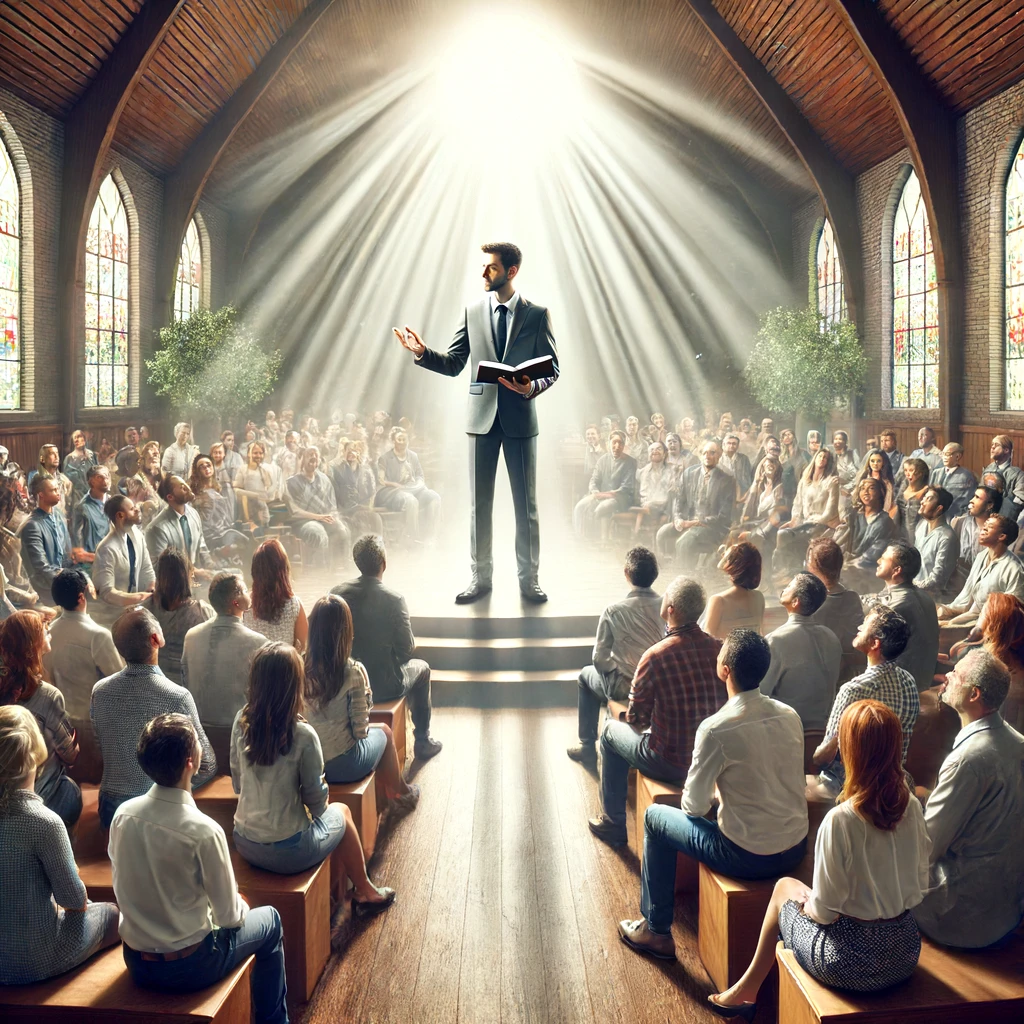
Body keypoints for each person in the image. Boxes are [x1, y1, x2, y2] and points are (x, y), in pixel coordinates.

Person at [710, 700, 929, 1016]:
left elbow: (824, 913)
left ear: (851, 751)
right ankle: (747, 991)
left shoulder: (841, 820)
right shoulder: (910, 807)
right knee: (794, 890)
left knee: (784, 890)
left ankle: (748, 992)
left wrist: (806, 902)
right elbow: (920, 886)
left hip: (849, 963)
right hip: (904, 951)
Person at [618, 630, 808, 960]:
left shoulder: (716, 728)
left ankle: (656, 930)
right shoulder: (789, 714)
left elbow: (693, 806)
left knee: (654, 817)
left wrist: (718, 790)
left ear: (724, 669)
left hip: (747, 856)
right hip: (796, 848)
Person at [396, 242, 559, 603]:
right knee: (479, 506)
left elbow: (553, 368)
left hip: (519, 420)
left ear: (511, 271)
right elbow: (455, 363)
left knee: (526, 507)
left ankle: (528, 581)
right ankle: (479, 579)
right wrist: (422, 352)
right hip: (480, 421)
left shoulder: (537, 314)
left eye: (491, 268)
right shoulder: (471, 311)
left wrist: (532, 385)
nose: (484, 273)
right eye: (484, 267)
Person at [108, 714, 289, 1023]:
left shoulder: (123, 815)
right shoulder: (204, 830)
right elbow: (228, 917)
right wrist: (240, 906)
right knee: (270, 920)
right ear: (191, 761)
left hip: (137, 962)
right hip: (191, 967)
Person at [230, 644, 393, 910]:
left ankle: (350, 888)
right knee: (342, 812)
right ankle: (365, 890)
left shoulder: (241, 721)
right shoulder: (303, 735)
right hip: (289, 852)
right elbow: (318, 804)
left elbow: (238, 783)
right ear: (295, 684)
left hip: (244, 841)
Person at [587, 576, 724, 846]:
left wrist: (626, 716)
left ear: (670, 609)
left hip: (670, 761)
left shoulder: (655, 656)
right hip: (710, 759)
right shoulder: (719, 649)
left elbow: (638, 722)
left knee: (610, 733)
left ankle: (614, 823)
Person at [0, 704, 119, 985]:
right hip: (33, 960)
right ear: (35, 756)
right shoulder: (43, 822)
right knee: (112, 914)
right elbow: (74, 901)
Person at [913, 651, 1024, 948]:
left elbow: (926, 848)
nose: (946, 676)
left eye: (956, 675)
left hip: (961, 915)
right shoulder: (1017, 741)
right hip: (1005, 909)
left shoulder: (968, 760)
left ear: (974, 694)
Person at [91, 607, 216, 827]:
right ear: (155, 638)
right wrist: (178, 785)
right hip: (157, 810)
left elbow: (103, 748)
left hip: (111, 809)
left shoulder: (100, 691)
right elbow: (206, 764)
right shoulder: (176, 696)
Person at [331, 534, 441, 760]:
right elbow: (406, 649)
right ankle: (422, 739)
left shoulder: (337, 593)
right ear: (384, 563)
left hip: (342, 681)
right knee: (422, 668)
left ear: (357, 562)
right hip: (383, 684)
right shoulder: (394, 599)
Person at [303, 595, 419, 806]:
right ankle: (401, 793)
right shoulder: (352, 671)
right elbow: (360, 731)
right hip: (343, 766)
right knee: (384, 731)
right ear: (346, 630)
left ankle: (390, 796)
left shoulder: (298, 666)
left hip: (306, 766)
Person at [567, 546, 664, 765]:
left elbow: (599, 659)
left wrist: (619, 672)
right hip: (659, 684)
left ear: (627, 574)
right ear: (655, 574)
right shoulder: (666, 607)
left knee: (585, 676)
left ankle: (587, 747)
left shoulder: (614, 610)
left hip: (625, 686)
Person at [813, 605, 920, 796]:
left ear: (875, 644)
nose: (859, 628)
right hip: (893, 782)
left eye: (865, 625)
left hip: (850, 784)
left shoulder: (854, 690)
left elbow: (825, 757)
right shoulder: (908, 681)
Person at [0, 610, 82, 828]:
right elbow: (70, 753)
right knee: (70, 789)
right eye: (45, 632)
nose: (50, 635)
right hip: (36, 795)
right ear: (33, 646)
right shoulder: (47, 695)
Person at [43, 568, 123, 783]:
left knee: (71, 782)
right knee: (97, 784)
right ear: (81, 596)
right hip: (92, 727)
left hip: (59, 725)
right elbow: (119, 678)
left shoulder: (48, 632)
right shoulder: (98, 636)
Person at [181, 571, 266, 767]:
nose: (250, 593)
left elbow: (186, 681)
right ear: (236, 602)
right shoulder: (258, 642)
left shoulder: (191, 636)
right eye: (245, 590)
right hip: (239, 734)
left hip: (199, 732)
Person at [760, 572, 841, 732]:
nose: (784, 588)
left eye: (789, 586)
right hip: (824, 729)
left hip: (788, 730)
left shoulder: (776, 640)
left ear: (795, 602)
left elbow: (762, 693)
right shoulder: (831, 637)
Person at [656, 441, 734, 568]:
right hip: (687, 522)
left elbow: (723, 516)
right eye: (704, 453)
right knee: (662, 533)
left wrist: (692, 523)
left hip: (712, 527)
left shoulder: (726, 480)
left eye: (712, 453)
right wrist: (677, 518)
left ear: (719, 456)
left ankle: (685, 575)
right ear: (700, 455)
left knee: (684, 542)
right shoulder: (689, 474)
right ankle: (668, 568)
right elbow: (679, 500)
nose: (707, 456)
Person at [143, 549, 214, 684]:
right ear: (186, 577)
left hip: (152, 684)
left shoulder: (144, 611)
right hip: (187, 687)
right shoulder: (202, 613)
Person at [938, 514, 1024, 625]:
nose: (984, 528)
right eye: (985, 524)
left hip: (992, 623)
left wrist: (954, 622)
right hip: (971, 614)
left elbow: (1015, 610)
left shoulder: (1014, 569)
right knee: (935, 614)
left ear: (1001, 536)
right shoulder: (981, 556)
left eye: (990, 526)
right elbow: (967, 595)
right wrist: (948, 611)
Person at [876, 543, 940, 692]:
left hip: (901, 684)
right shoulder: (924, 596)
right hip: (922, 676)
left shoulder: (896, 604)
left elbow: (876, 646)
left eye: (884, 558)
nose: (878, 561)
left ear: (896, 570)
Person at [774, 449, 840, 575]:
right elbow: (798, 503)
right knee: (782, 533)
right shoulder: (805, 481)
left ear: (828, 462)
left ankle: (787, 570)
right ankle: (785, 569)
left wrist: (817, 521)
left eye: (825, 457)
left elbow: (831, 510)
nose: (822, 459)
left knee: (786, 536)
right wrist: (794, 520)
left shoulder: (831, 482)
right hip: (806, 523)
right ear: (815, 458)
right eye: (820, 456)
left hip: (822, 524)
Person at [92, 494, 155, 622]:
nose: (137, 509)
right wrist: (141, 596)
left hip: (136, 611)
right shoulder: (106, 548)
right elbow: (107, 592)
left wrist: (151, 588)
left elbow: (147, 568)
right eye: (132, 509)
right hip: (112, 617)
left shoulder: (137, 534)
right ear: (120, 515)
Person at [285, 446, 352, 565]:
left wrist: (334, 518)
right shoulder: (292, 482)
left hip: (323, 519)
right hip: (302, 523)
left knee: (342, 530)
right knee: (318, 534)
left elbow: (332, 507)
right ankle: (320, 571)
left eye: (316, 455)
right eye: (310, 454)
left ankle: (341, 568)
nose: (314, 457)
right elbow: (294, 512)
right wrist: (318, 517)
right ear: (302, 459)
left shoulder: (324, 480)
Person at [243, 538, 308, 650]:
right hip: (285, 666)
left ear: (254, 571)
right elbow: (303, 648)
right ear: (283, 570)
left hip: (253, 666)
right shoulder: (294, 605)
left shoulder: (244, 605)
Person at [146, 475, 214, 580]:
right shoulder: (157, 528)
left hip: (196, 579)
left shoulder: (193, 513)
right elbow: (160, 567)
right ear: (170, 497)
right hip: (173, 584)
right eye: (182, 487)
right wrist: (193, 571)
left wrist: (210, 564)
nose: (188, 487)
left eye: (185, 484)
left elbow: (201, 543)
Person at [573, 430, 637, 541]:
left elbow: (625, 487)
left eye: (620, 443)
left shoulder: (630, 462)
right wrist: (595, 492)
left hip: (620, 498)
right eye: (614, 442)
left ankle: (603, 541)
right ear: (609, 443)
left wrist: (604, 495)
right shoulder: (602, 460)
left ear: (624, 445)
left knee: (603, 507)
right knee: (579, 507)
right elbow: (594, 480)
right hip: (600, 495)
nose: (617, 446)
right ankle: (580, 539)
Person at [18, 474, 74, 598]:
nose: (58, 493)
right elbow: (41, 568)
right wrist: (68, 582)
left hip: (63, 578)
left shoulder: (59, 515)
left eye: (57, 489)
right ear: (41, 495)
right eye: (53, 490)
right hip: (46, 588)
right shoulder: (32, 525)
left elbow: (67, 555)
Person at [190, 454, 250, 563]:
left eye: (208, 465)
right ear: (197, 471)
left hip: (224, 532)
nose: (206, 468)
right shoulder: (196, 494)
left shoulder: (217, 488)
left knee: (247, 543)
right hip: (210, 538)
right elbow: (198, 522)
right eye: (202, 467)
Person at [700, 542, 765, 639]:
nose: (722, 554)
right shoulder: (759, 597)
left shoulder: (719, 600)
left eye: (726, 555)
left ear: (733, 564)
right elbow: (760, 634)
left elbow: (708, 641)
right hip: (752, 653)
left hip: (726, 653)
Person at [331, 440, 384, 537]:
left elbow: (372, 492)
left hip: (364, 508)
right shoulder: (338, 470)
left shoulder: (366, 470)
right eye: (349, 450)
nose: (351, 453)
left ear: (359, 452)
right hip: (346, 510)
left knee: (377, 519)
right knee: (358, 522)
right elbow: (336, 494)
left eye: (354, 450)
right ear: (344, 452)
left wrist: (367, 506)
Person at [913, 486, 958, 597]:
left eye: (928, 499)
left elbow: (937, 579)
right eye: (924, 498)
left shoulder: (947, 537)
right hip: (914, 590)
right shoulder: (921, 526)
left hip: (934, 596)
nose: (922, 502)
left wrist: (911, 586)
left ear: (939, 509)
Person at [951, 485, 1000, 577]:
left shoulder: (997, 531)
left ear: (990, 505)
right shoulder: (959, 523)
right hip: (958, 580)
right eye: (973, 496)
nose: (971, 501)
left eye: (977, 497)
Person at [70, 464, 110, 568]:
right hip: (91, 562)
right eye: (100, 477)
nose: (105, 480)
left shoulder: (114, 504)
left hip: (112, 558)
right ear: (92, 481)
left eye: (107, 476)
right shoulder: (82, 507)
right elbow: (77, 536)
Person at [233, 441, 278, 529]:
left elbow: (270, 493)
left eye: (261, 453)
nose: (258, 456)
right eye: (255, 453)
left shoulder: (264, 471)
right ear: (249, 454)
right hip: (246, 513)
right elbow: (236, 490)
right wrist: (254, 495)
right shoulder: (243, 469)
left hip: (262, 513)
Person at [929, 443, 976, 519]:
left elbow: (968, 499)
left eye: (947, 454)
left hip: (955, 516)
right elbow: (929, 493)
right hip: (936, 515)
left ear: (957, 456)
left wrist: (959, 516)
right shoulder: (936, 473)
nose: (944, 457)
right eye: (942, 454)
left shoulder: (966, 476)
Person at [27, 444, 73, 518]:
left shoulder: (64, 480)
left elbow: (69, 505)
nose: (56, 457)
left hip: (60, 521)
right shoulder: (36, 480)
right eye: (52, 453)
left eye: (57, 453)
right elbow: (32, 505)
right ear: (42, 459)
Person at [983, 433, 1024, 515]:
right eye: (992, 444)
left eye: (997, 445)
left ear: (1006, 450)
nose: (992, 447)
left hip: (1004, 517)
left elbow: (1018, 501)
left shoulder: (1018, 474)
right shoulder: (988, 469)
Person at [894, 456, 930, 541]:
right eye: (905, 470)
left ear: (920, 473)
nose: (907, 474)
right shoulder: (904, 486)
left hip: (918, 532)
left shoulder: (927, 491)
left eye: (911, 470)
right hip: (900, 531)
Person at [851, 448, 896, 513]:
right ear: (868, 462)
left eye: (879, 461)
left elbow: (888, 503)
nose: (875, 464)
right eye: (872, 461)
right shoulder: (863, 477)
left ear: (883, 462)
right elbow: (856, 496)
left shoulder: (886, 482)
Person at [63, 429, 98, 508]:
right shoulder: (69, 458)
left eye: (78, 437)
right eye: (74, 438)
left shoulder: (92, 455)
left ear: (84, 439)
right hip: (77, 496)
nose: (76, 439)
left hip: (93, 493)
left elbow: (97, 471)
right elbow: (68, 479)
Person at [719, 433, 753, 498]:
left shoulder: (744, 459)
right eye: (729, 443)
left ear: (737, 446)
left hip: (741, 494)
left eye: (734, 444)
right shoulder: (718, 459)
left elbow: (747, 478)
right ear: (723, 445)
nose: (731, 446)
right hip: (722, 493)